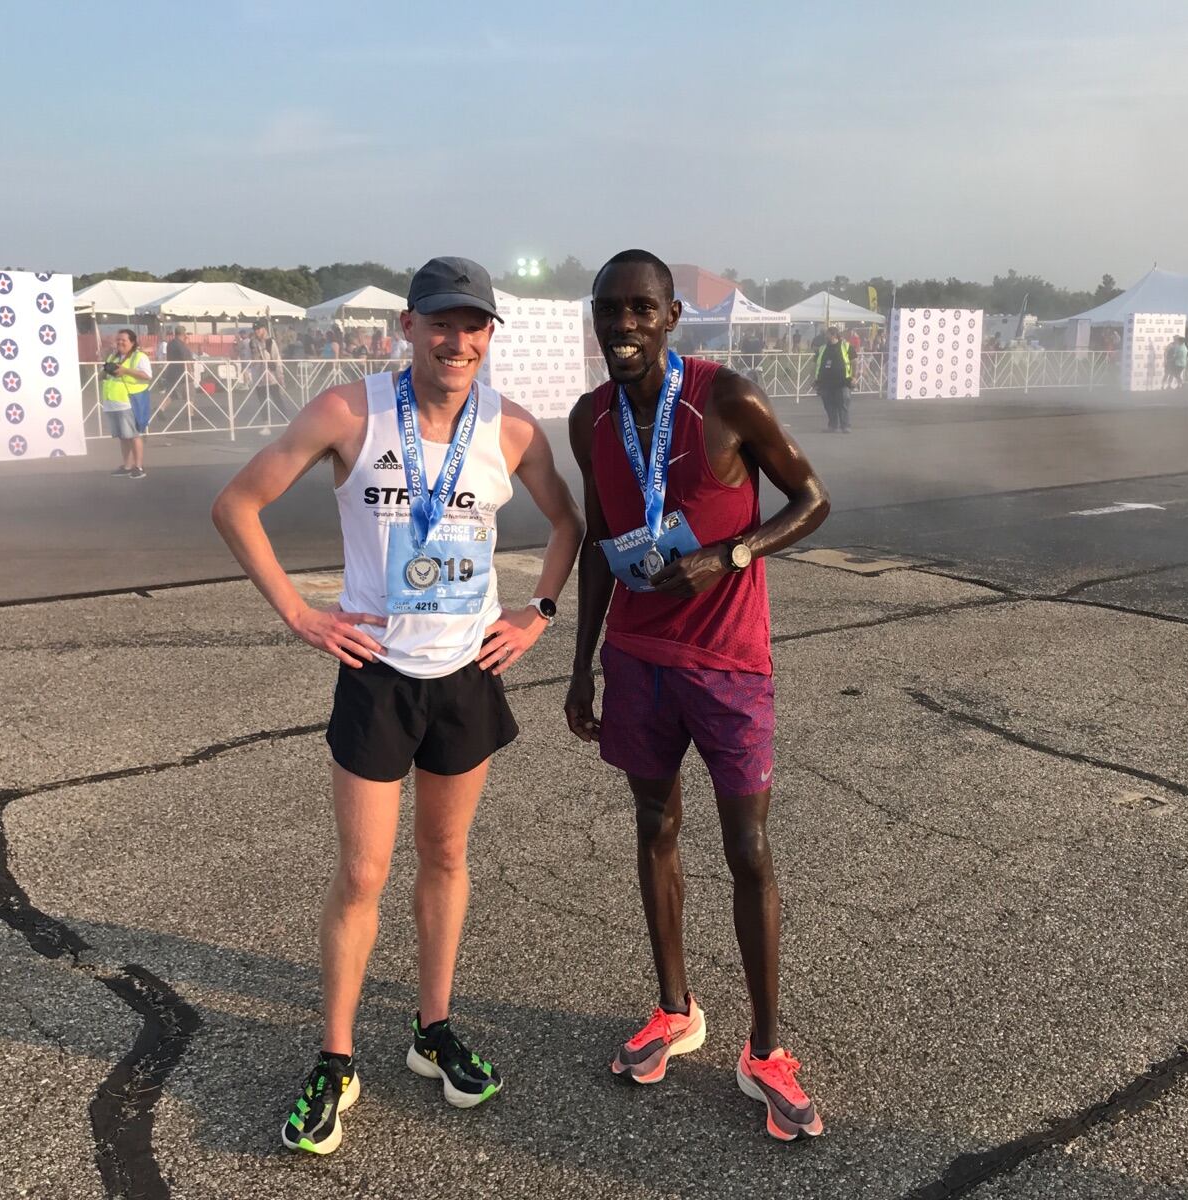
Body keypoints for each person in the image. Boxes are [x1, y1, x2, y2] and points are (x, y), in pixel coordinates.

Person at [212, 256, 584, 1156]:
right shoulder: (351, 411)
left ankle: (433, 1028)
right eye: (442, 323)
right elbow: (236, 505)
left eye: (476, 326)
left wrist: (537, 614)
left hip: (466, 675)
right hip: (377, 676)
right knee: (365, 875)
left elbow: (569, 524)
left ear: (492, 335)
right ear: (407, 328)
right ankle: (336, 1058)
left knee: (447, 856)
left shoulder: (514, 428)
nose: (459, 341)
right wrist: (301, 612)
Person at [566, 249, 831, 1142]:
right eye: (611, 311)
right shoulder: (589, 418)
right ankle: (676, 1009)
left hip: (727, 662)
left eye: (642, 309)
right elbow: (604, 539)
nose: (625, 327)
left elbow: (814, 498)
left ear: (673, 315)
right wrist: (580, 665)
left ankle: (765, 1049)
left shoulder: (726, 399)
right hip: (637, 658)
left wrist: (734, 554)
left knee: (748, 850)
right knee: (654, 829)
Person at [100, 329, 153, 478]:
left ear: (133, 342)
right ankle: (127, 466)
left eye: (123, 340)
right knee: (123, 436)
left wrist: (125, 370)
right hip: (112, 401)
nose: (120, 342)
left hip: (128, 401)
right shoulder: (113, 356)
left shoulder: (139, 357)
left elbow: (147, 375)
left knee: (133, 435)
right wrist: (106, 369)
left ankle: (139, 467)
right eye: (118, 340)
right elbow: (101, 376)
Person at [814, 327, 854, 432]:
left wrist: (854, 377)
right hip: (825, 382)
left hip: (842, 381)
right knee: (828, 405)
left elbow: (855, 361)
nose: (825, 336)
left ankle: (845, 426)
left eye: (827, 334)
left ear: (833, 335)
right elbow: (815, 364)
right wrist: (814, 379)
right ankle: (833, 426)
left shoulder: (846, 346)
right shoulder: (822, 348)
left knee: (843, 403)